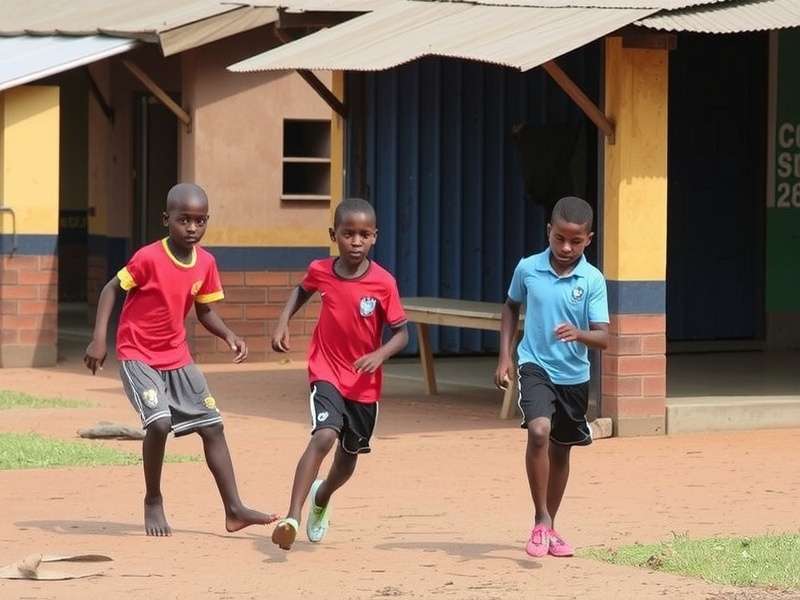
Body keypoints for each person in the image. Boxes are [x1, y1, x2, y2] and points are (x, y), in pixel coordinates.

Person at [84, 183, 276, 536]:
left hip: (177, 356)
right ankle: (153, 499)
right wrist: (99, 339)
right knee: (158, 424)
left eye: (200, 221)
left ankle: (234, 509)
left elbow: (205, 311)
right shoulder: (148, 258)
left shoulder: (206, 263)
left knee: (213, 426)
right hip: (137, 353)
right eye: (184, 220)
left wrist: (229, 334)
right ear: (166, 219)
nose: (192, 228)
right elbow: (111, 288)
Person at [269, 197, 409, 550]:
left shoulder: (383, 283)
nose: (356, 242)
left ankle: (322, 497)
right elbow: (301, 290)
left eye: (364, 235)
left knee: (346, 461)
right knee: (324, 436)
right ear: (334, 235)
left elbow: (402, 333)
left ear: (375, 236)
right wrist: (283, 322)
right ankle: (291, 517)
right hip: (326, 370)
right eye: (348, 234)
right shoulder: (321, 270)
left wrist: (379, 354)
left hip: (363, 385)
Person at [495, 196, 609, 558]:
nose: (565, 247)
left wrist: (579, 334)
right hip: (534, 365)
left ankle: (549, 528)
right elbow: (511, 306)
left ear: (588, 239)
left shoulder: (592, 279)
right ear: (549, 232)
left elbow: (604, 337)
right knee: (539, 430)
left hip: (574, 376)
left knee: (561, 451)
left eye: (575, 241)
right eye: (559, 238)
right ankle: (540, 518)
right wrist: (504, 357)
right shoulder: (528, 268)